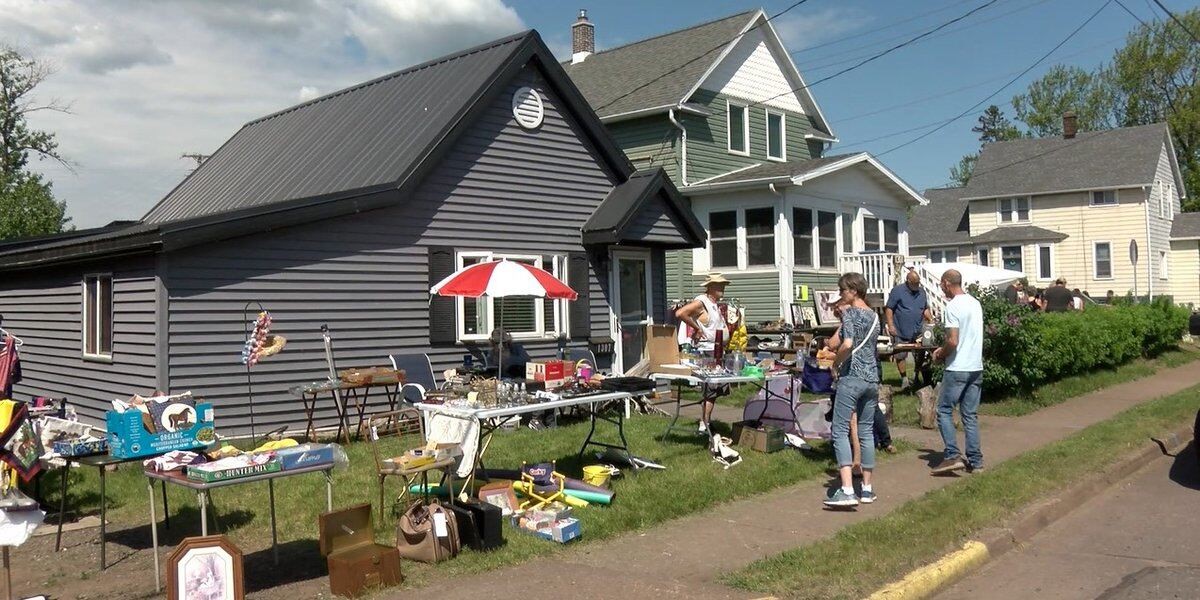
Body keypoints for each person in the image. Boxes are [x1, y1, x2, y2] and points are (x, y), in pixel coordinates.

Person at [823, 272, 881, 507]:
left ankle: (847, 490)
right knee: (866, 432)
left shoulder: (849, 313)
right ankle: (866, 489)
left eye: (843, 291)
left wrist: (836, 363)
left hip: (852, 377)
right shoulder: (875, 317)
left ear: (854, 291)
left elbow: (846, 344)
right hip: (871, 379)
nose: (841, 295)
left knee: (839, 431)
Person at [930, 269, 985, 474]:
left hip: (957, 367)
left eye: (941, 285)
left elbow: (953, 340)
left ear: (946, 283)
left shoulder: (952, 307)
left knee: (943, 410)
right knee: (969, 414)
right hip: (976, 366)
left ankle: (952, 455)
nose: (941, 289)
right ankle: (976, 460)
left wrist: (940, 354)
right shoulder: (975, 303)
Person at [674, 273, 730, 435]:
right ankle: (704, 423)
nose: (722, 289)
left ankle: (706, 421)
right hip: (708, 350)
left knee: (715, 389)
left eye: (723, 286)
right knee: (711, 388)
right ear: (710, 287)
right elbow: (680, 313)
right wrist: (697, 328)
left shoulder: (714, 304)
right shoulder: (701, 301)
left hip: (717, 349)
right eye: (719, 286)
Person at [885, 269, 932, 391]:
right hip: (900, 329)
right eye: (914, 284)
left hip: (918, 330)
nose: (916, 286)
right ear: (908, 281)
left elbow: (924, 308)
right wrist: (891, 325)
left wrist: (930, 318)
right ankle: (904, 379)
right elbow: (889, 309)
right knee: (900, 354)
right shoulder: (897, 291)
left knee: (921, 352)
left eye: (918, 283)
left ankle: (916, 375)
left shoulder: (922, 292)